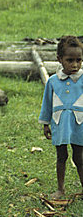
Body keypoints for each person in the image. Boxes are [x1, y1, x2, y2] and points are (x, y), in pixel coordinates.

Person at [38, 35, 83, 199]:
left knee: (80, 157)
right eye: (70, 60)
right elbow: (47, 104)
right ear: (59, 59)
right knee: (61, 156)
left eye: (79, 60)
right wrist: (45, 124)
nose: (75, 65)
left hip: (80, 124)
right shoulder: (53, 81)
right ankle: (60, 189)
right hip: (60, 123)